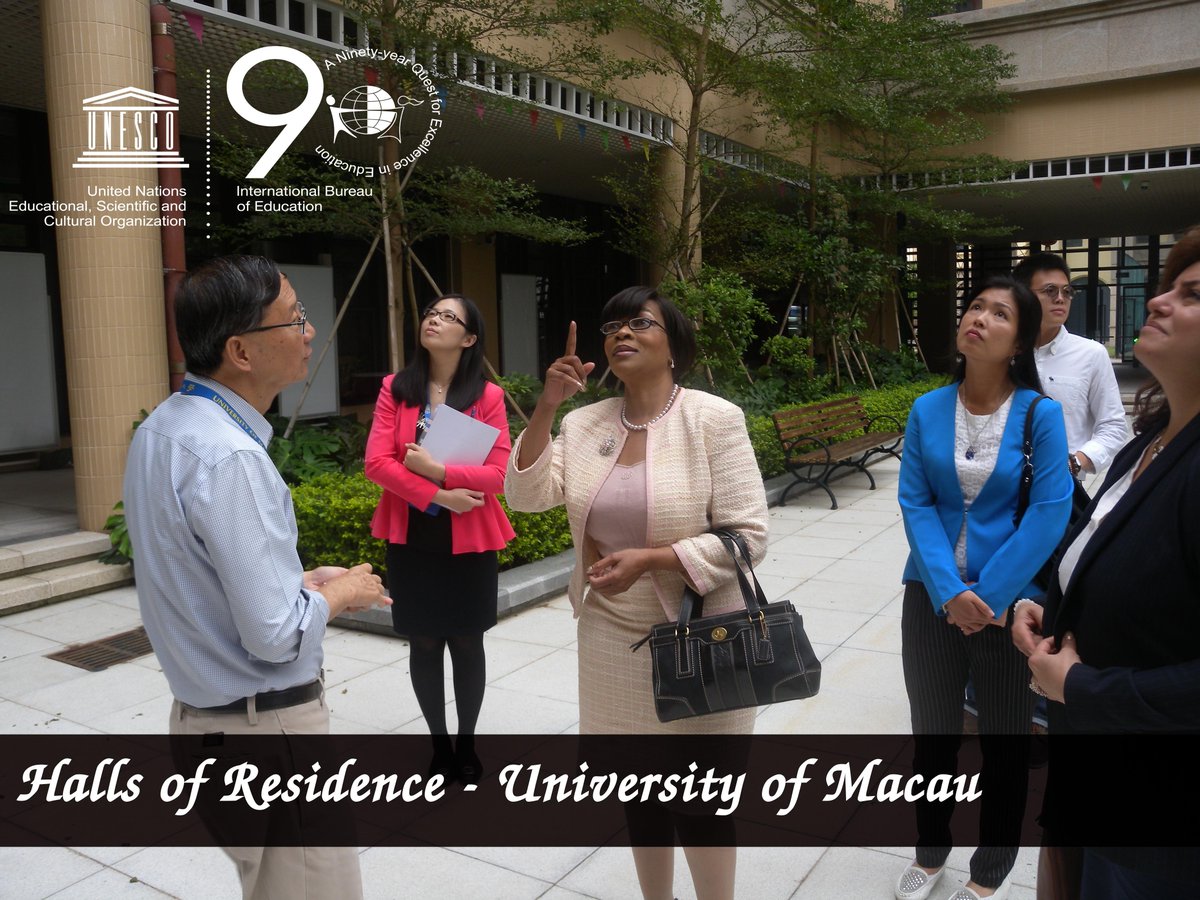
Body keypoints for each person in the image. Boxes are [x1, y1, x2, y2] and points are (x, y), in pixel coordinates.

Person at [123, 255, 388, 900]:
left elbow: (197, 575)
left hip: (207, 726)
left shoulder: (163, 428)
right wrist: (340, 593)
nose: (309, 332)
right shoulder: (230, 455)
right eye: (294, 318)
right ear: (240, 351)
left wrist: (299, 581)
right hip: (266, 738)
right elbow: (273, 636)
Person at [504, 286, 768, 900]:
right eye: (612, 326)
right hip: (611, 638)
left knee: (702, 804)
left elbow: (749, 535)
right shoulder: (584, 422)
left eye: (639, 323)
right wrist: (546, 406)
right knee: (640, 795)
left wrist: (652, 560)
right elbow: (526, 495)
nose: (621, 333)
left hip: (704, 637)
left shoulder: (713, 419)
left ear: (674, 344)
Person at [1014, 227, 1200, 898]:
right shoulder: (1153, 441)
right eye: (1169, 287)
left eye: (1192, 294)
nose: (1158, 301)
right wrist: (1051, 605)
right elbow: (1121, 561)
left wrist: (1083, 687)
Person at [896, 274, 1073, 900]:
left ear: (1019, 343)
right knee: (933, 736)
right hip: (929, 597)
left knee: (1004, 742)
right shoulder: (926, 408)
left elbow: (1049, 511)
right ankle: (930, 851)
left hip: (1009, 609)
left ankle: (990, 869)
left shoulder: (1040, 415)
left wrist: (989, 597)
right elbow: (915, 502)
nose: (979, 318)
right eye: (975, 306)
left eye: (1000, 313)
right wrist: (949, 590)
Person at [364, 294, 514, 784]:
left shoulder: (487, 396)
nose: (434, 319)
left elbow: (498, 474)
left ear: (469, 338)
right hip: (413, 535)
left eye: (449, 317)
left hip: (469, 537)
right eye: (431, 312)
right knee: (424, 643)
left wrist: (439, 470)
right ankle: (439, 746)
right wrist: (439, 494)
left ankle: (466, 744)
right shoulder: (396, 389)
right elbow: (377, 463)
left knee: (467, 642)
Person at [1013, 252, 1127, 485]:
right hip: (1001, 487)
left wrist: (1074, 462)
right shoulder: (1003, 351)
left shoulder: (1091, 354)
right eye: (1050, 291)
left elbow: (1113, 426)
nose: (1060, 298)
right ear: (1023, 296)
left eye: (1067, 291)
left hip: (1062, 488)